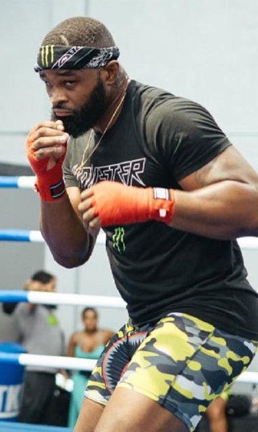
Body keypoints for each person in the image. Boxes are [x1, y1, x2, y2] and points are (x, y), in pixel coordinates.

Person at [25, 16, 258, 432]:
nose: (56, 98)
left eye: (69, 82)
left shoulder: (166, 119)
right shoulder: (79, 143)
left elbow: (254, 206)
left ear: (109, 72)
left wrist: (154, 201)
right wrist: (50, 182)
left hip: (211, 313)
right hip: (144, 320)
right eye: (48, 84)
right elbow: (70, 251)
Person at [2, 270, 67, 426]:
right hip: (36, 371)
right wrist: (33, 286)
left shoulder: (48, 311)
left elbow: (53, 340)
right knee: (30, 415)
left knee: (45, 420)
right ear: (42, 286)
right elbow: (30, 298)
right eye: (52, 286)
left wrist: (62, 367)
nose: (55, 290)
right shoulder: (28, 308)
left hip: (50, 372)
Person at [66, 307, 114, 428]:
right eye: (87, 318)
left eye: (93, 318)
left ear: (97, 320)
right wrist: (66, 379)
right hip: (79, 379)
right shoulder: (76, 337)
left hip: (98, 380)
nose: (90, 321)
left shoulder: (105, 335)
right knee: (81, 410)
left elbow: (122, 345)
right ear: (82, 320)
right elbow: (67, 361)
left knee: (97, 413)